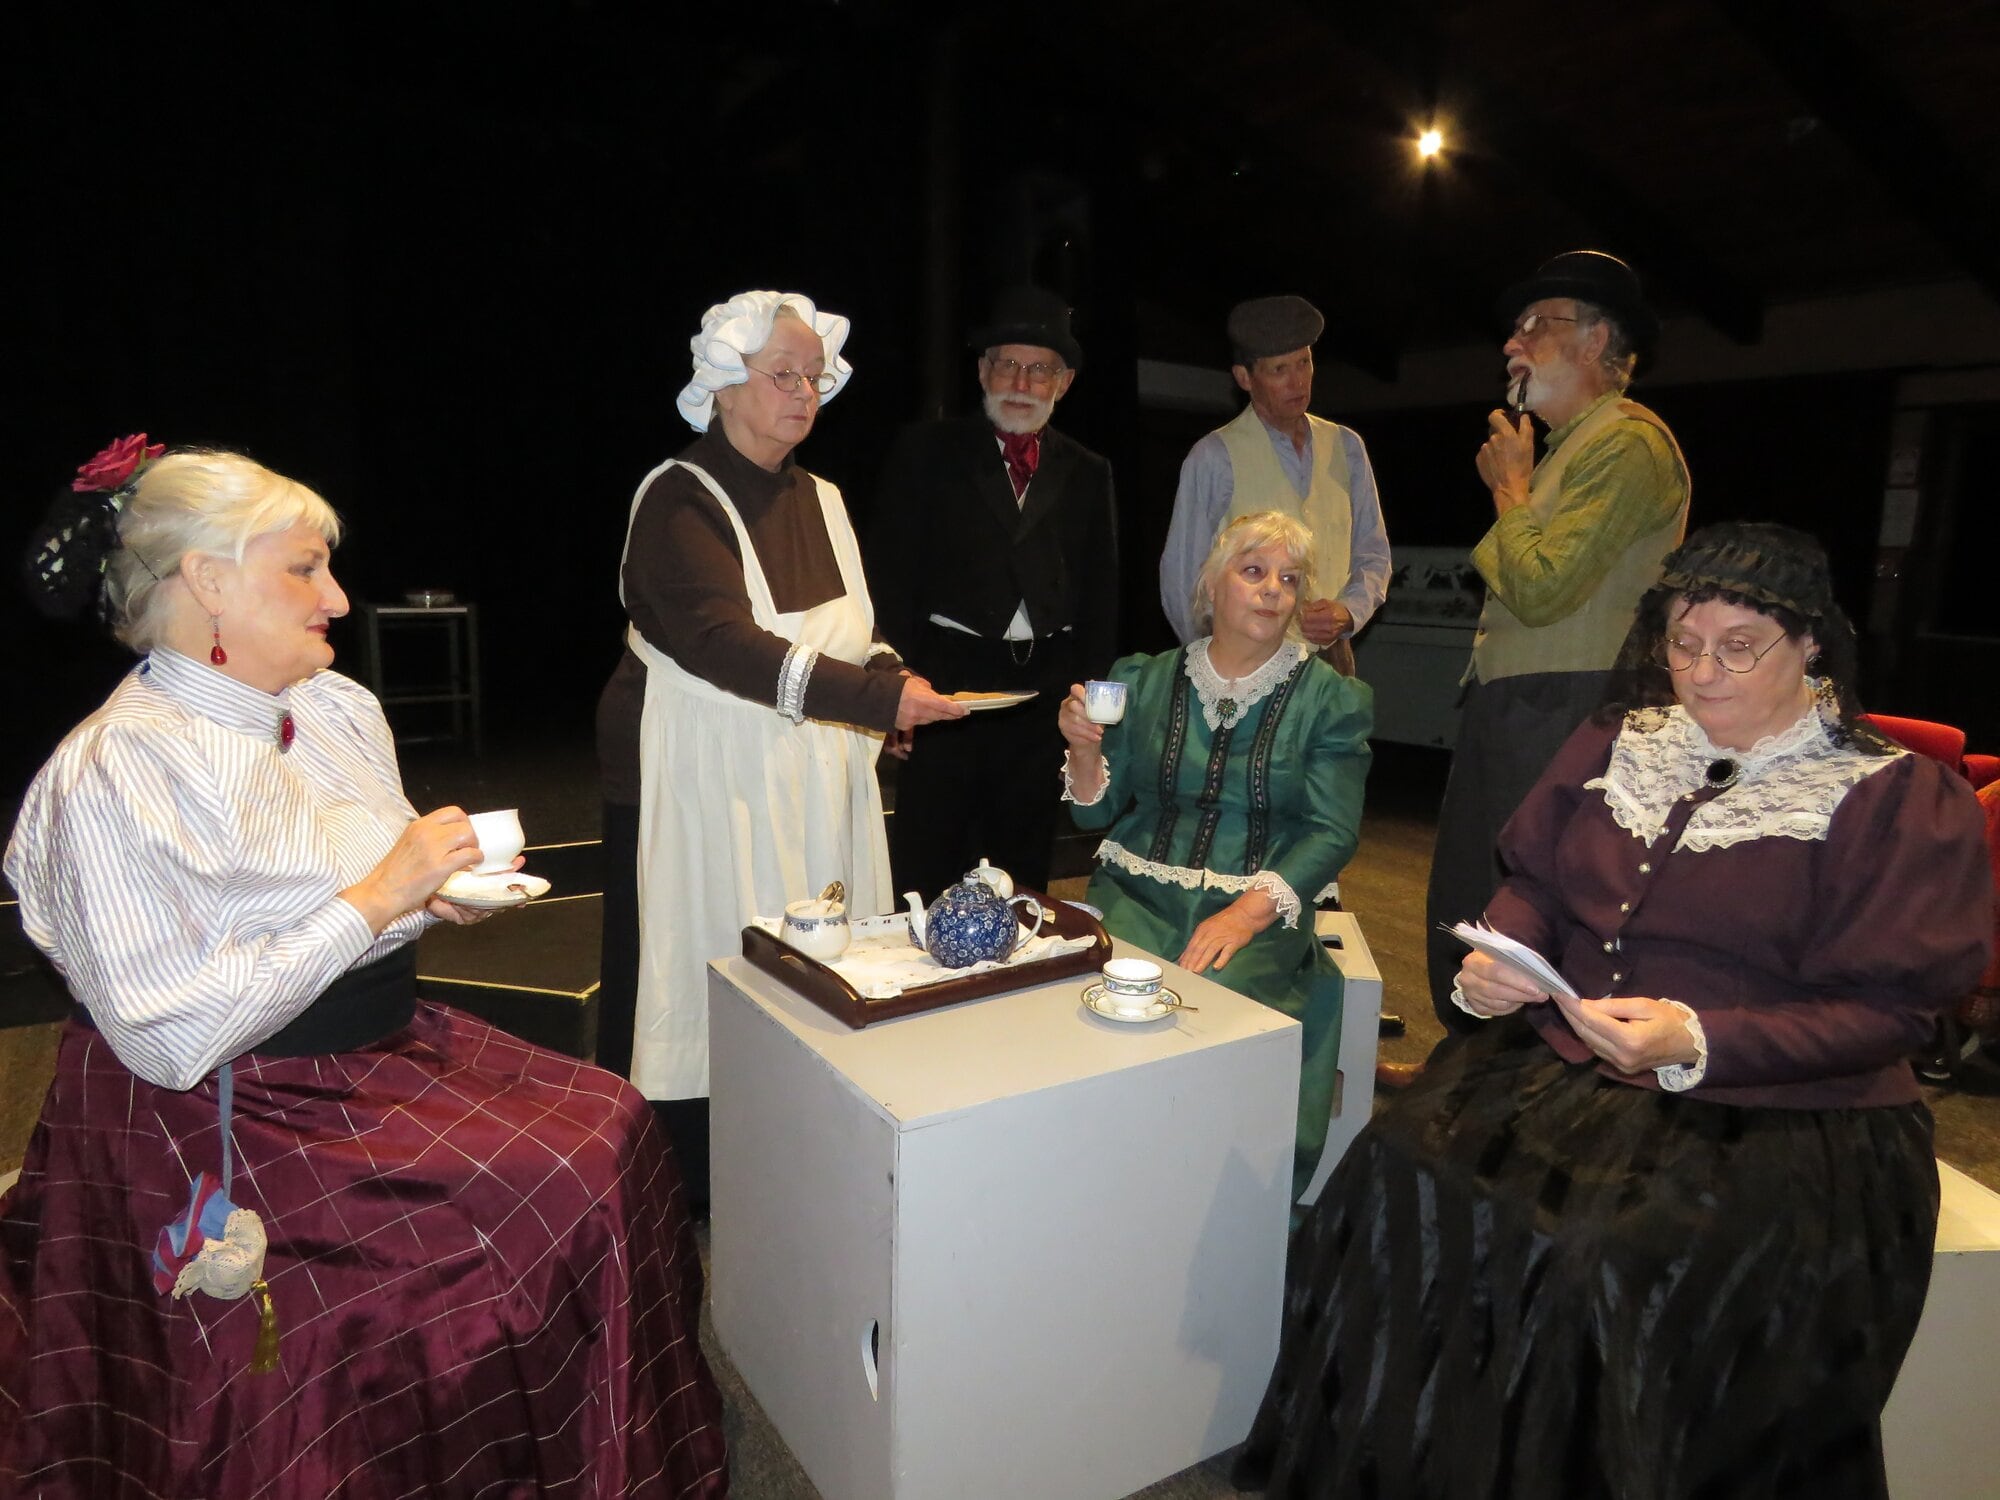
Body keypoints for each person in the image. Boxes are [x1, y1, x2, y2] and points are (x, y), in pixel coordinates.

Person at [2, 439, 729, 1496]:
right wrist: (379, 897)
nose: (337, 597)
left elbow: (362, 891)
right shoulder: (118, 770)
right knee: (544, 1192)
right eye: (303, 568)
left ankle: (589, 1457)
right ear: (205, 581)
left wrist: (429, 894)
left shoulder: (336, 709)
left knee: (612, 1125)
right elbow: (167, 1038)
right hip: (225, 1099)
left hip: (370, 1050)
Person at [1236, 523, 1993, 1499]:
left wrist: (1699, 1038)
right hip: (1565, 1055)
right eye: (1681, 643)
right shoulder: (1617, 740)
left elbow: (1892, 1013)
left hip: (1783, 1106)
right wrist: (1501, 959)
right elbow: (1535, 886)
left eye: (1735, 647)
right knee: (1397, 1166)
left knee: (1615, 1255)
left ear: (1808, 645)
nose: (1700, 671)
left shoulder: (1890, 798)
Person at [595, 290, 963, 1203]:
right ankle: (689, 1183)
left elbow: (851, 633)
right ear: (723, 381)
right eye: (783, 375)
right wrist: (876, 698)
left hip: (808, 774)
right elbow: (724, 643)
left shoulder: (826, 500)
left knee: (815, 957)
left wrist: (889, 689)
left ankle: (802, 1152)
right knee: (699, 957)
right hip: (698, 775)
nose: (805, 393)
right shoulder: (677, 497)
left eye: (816, 377)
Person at [1062, 511, 1371, 1200]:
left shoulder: (1330, 699)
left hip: (1256, 905)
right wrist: (1084, 745)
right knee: (1100, 1001)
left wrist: (1244, 917)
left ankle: (1214, 1207)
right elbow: (1095, 813)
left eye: (1288, 580)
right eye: (1253, 571)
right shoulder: (1143, 680)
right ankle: (1097, 1188)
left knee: (1218, 1008)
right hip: (1137, 891)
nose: (1272, 592)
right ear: (1212, 583)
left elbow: (1332, 830)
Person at [1423, 249, 1691, 1034]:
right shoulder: (1574, 445)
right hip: (1528, 699)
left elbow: (1541, 585)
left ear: (1598, 342)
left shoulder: (1627, 443)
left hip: (1569, 701)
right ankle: (1468, 1062)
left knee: (1525, 898)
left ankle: (1501, 1073)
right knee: (1476, 885)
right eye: (1515, 328)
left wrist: (1509, 485)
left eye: (1540, 324)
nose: (1515, 343)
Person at [866, 285, 1119, 901]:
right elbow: (889, 580)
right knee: (929, 863)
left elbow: (1103, 597)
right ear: (982, 371)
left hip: (1042, 697)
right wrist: (892, 689)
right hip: (944, 692)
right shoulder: (926, 452)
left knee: (1022, 868)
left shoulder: (1089, 471)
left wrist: (1092, 703)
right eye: (1007, 363)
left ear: (1064, 383)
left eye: (1040, 370)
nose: (1021, 382)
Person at [1157, 294, 1390, 675]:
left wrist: (1347, 612)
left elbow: (1373, 553)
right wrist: (1210, 669)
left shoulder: (1346, 447)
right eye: (1280, 369)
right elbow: (1183, 581)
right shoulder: (1215, 456)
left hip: (1330, 663)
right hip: (1246, 663)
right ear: (1245, 378)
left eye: (1304, 363)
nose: (1298, 381)